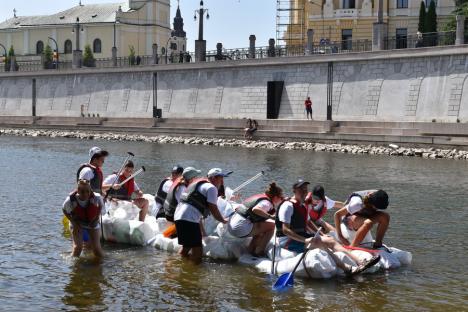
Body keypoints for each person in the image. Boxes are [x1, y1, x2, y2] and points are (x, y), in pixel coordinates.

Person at [276, 179, 380, 275]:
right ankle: (348, 269)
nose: (304, 192)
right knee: (320, 243)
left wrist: (321, 235)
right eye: (301, 190)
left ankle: (360, 261)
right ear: (294, 190)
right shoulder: (288, 206)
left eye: (305, 189)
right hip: (287, 241)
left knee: (331, 241)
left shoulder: (303, 206)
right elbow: (285, 230)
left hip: (301, 237)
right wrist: (305, 240)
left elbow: (308, 222)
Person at [174, 167, 228, 264]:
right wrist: (223, 220)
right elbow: (214, 209)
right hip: (188, 219)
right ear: (213, 178)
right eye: (220, 178)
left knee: (186, 248)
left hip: (179, 217)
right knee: (198, 252)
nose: (222, 181)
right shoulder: (211, 188)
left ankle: (176, 265)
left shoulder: (197, 183)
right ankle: (191, 277)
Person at [228, 182, 284, 257]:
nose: (282, 200)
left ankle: (250, 249)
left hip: (231, 226)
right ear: (275, 197)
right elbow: (256, 209)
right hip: (240, 228)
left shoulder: (260, 197)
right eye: (281, 198)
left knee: (261, 228)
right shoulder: (267, 203)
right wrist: (270, 216)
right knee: (272, 226)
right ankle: (259, 251)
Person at [62, 179, 104, 258]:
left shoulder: (97, 197)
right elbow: (64, 209)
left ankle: (102, 264)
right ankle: (73, 266)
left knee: (96, 249)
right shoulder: (70, 200)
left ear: (90, 190)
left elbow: (100, 207)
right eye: (82, 191)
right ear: (78, 190)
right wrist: (74, 223)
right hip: (77, 223)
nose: (85, 194)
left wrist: (96, 219)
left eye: (88, 191)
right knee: (78, 248)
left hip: (92, 223)